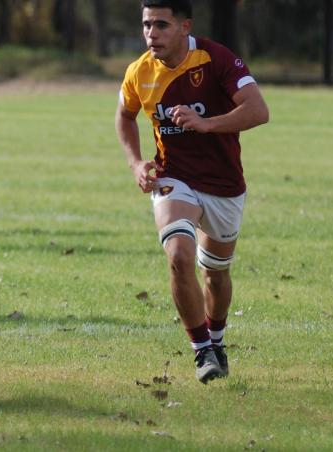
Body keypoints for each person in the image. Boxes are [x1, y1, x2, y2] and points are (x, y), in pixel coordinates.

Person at [115, 0, 269, 383]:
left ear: (185, 26)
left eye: (162, 25)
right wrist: (136, 163)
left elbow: (258, 110)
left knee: (215, 274)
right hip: (174, 177)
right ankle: (201, 350)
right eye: (147, 25)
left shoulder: (216, 59)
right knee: (180, 257)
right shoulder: (139, 72)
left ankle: (216, 340)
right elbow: (124, 115)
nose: (152, 34)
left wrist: (206, 123)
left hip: (223, 185)